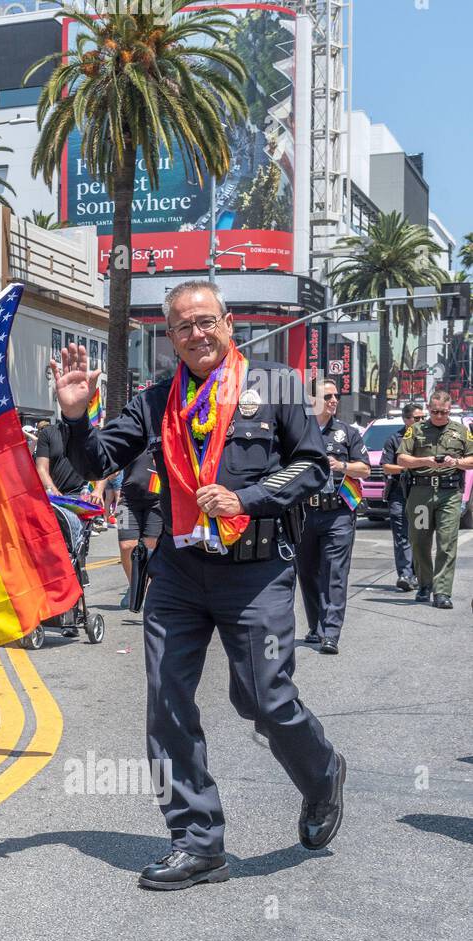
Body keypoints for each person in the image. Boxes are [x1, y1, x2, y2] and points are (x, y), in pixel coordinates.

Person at [54, 281, 345, 891]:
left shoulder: (278, 387)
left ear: (228, 322)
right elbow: (92, 464)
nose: (196, 334)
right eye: (183, 326)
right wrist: (76, 417)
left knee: (262, 700)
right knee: (167, 702)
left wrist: (249, 496)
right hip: (179, 575)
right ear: (171, 336)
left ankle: (322, 775)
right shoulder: (155, 398)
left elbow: (313, 465)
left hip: (257, 571)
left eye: (206, 321)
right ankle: (196, 840)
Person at [294, 379, 369, 654]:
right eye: (327, 396)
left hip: (338, 512)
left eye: (336, 395)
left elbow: (365, 469)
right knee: (308, 572)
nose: (334, 400)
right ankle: (316, 626)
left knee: (334, 573)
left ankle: (331, 633)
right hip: (304, 512)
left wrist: (343, 465)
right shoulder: (299, 433)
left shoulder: (347, 433)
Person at [397, 390, 473, 609]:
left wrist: (456, 462)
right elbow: (402, 458)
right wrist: (426, 460)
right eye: (435, 411)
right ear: (429, 409)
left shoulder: (461, 431)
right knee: (419, 542)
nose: (439, 415)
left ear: (450, 410)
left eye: (444, 412)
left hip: (449, 494)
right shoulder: (416, 430)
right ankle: (424, 584)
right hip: (420, 494)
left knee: (447, 543)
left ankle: (442, 591)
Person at [379, 402, 423, 592]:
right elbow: (386, 466)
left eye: (423, 417)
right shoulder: (394, 439)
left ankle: (419, 574)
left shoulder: (427, 437)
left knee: (420, 535)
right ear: (406, 419)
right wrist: (410, 465)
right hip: (399, 491)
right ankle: (405, 574)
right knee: (401, 535)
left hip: (421, 493)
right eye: (417, 418)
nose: (421, 421)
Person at [115, 450, 162, 608]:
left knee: (150, 546)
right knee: (126, 545)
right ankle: (134, 586)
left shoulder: (161, 436)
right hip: (127, 499)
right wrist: (98, 489)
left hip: (157, 500)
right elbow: (110, 464)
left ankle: (147, 589)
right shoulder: (132, 438)